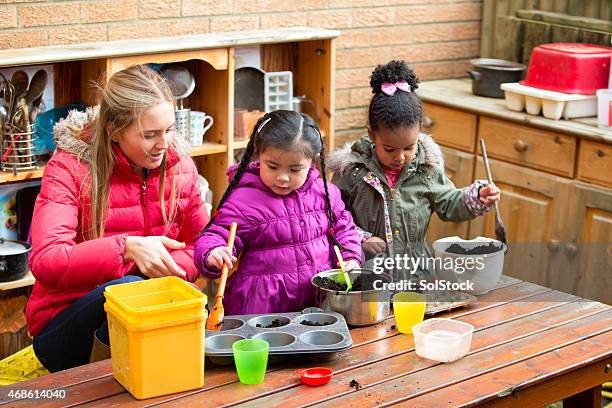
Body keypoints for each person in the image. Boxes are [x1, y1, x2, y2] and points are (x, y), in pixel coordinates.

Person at [26, 65, 209, 372]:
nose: (164, 145)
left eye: (169, 129)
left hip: (149, 312)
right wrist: (125, 248)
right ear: (113, 131)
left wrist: (168, 269)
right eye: (150, 135)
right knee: (128, 288)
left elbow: (201, 243)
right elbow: (47, 261)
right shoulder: (68, 169)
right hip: (65, 327)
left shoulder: (180, 165)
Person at [328, 60, 500, 281]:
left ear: (419, 132)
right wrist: (362, 238)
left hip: (417, 277)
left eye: (408, 147)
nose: (400, 157)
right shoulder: (352, 173)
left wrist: (477, 196)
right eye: (389, 149)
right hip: (368, 279)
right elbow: (332, 217)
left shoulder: (425, 171)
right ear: (372, 136)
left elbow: (450, 202)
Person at [195, 110, 362, 315]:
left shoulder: (325, 194)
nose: (282, 178)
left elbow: (344, 229)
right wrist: (213, 252)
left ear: (311, 161)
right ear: (259, 154)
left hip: (317, 301)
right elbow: (217, 233)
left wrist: (350, 257)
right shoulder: (244, 200)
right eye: (273, 166)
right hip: (261, 307)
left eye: (294, 169)